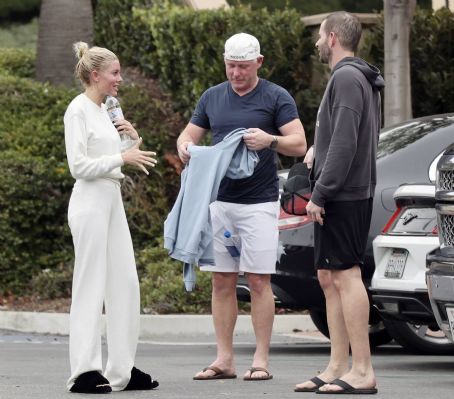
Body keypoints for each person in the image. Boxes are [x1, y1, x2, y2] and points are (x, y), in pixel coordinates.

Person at [176, 32, 307, 381]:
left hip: (260, 202)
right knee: (222, 281)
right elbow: (189, 135)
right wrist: (185, 146)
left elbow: (299, 143)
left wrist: (270, 140)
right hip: (219, 202)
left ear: (259, 63)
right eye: (231, 66)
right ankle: (224, 359)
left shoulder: (276, 96)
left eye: (244, 67)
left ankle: (261, 360)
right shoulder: (212, 97)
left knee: (260, 281)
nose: (236, 74)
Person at [295, 12, 383, 394]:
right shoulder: (353, 78)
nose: (316, 42)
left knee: (345, 276)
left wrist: (321, 193)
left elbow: (347, 143)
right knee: (328, 278)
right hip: (343, 191)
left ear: (332, 38)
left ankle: (362, 370)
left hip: (343, 195)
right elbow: (343, 136)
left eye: (319, 36)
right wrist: (319, 149)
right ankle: (337, 365)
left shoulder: (346, 77)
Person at [64, 41, 159, 394]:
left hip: (111, 198)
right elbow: (78, 166)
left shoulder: (108, 109)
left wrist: (131, 139)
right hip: (89, 201)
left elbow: (119, 153)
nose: (120, 79)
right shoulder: (77, 110)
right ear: (95, 75)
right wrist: (121, 160)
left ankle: (121, 369)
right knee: (90, 285)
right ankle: (84, 372)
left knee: (125, 283)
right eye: (115, 73)